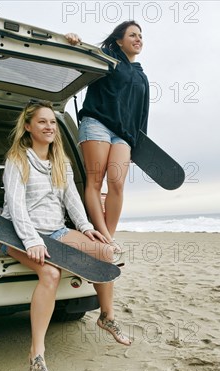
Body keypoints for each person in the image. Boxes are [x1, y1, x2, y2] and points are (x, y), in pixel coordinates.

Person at [1, 100, 131, 371]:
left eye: (52, 122)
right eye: (42, 122)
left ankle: (107, 317)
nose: (49, 127)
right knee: (51, 275)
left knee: (107, 253)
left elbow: (72, 200)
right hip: (20, 234)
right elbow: (16, 206)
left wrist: (87, 229)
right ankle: (36, 353)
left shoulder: (62, 162)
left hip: (57, 232)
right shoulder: (17, 160)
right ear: (28, 127)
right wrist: (32, 240)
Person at [65, 21, 149, 253]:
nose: (138, 39)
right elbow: (82, 55)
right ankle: (104, 236)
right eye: (132, 35)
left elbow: (142, 113)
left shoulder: (142, 76)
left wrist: (139, 144)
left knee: (117, 183)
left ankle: (107, 238)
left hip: (124, 135)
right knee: (95, 181)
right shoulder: (107, 58)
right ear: (119, 40)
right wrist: (74, 40)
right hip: (97, 124)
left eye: (140, 36)